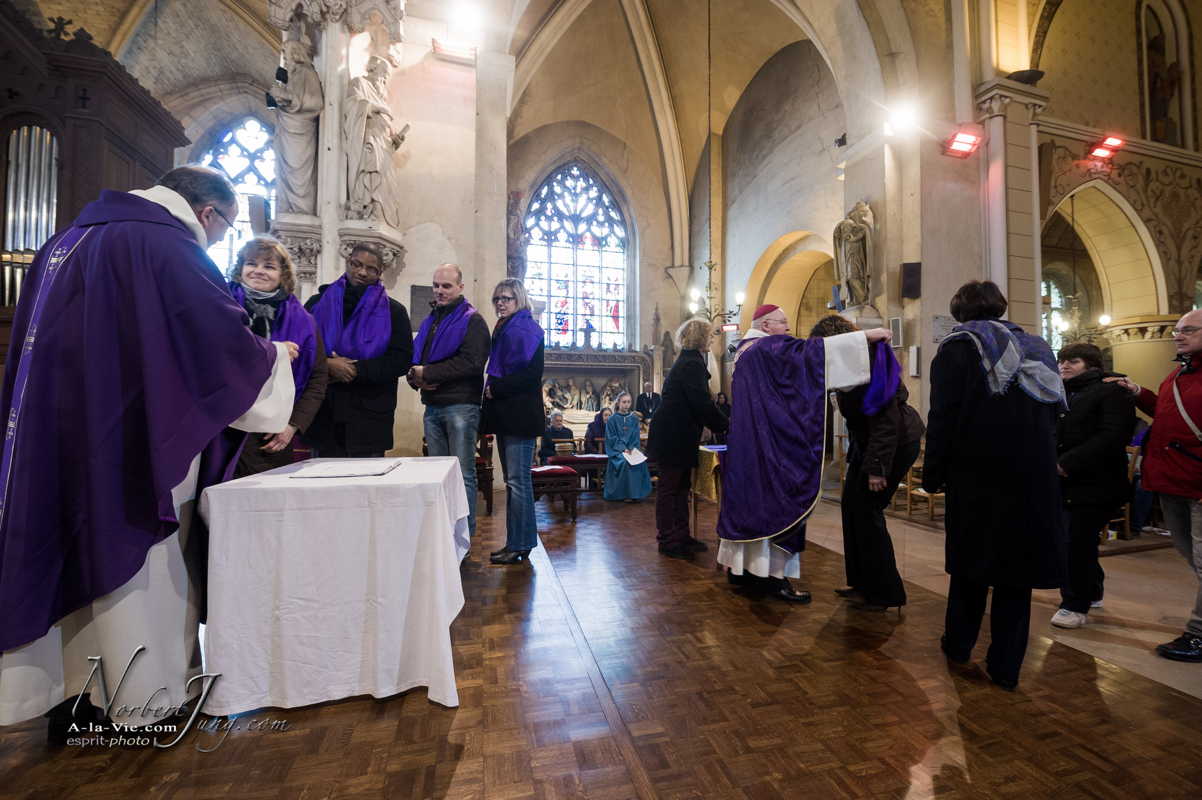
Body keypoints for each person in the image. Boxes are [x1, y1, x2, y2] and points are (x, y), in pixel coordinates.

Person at [0, 166, 297, 739]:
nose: (215, 242)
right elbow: (220, 344)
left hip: (58, 435)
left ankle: (70, 691)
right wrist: (275, 356)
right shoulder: (167, 248)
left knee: (66, 537)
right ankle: (141, 698)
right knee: (140, 559)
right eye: (223, 231)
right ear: (207, 213)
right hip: (136, 438)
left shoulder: (64, 242)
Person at [923, 281, 1066, 690]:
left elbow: (944, 417)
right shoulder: (1037, 347)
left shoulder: (959, 347)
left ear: (958, 311)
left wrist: (933, 475)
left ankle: (958, 645)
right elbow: (1053, 413)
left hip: (979, 476)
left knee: (971, 569)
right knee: (1014, 578)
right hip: (1032, 479)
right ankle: (1006, 667)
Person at [718, 314, 894, 603]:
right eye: (781, 322)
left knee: (751, 506)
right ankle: (773, 579)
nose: (788, 328)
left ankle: (743, 572)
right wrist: (867, 336)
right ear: (765, 326)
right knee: (777, 505)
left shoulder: (745, 351)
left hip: (750, 452)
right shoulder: (767, 349)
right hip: (772, 452)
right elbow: (812, 352)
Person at [1107, 308, 1202, 662]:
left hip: (1197, 480)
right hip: (1171, 478)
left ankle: (1198, 633)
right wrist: (1136, 392)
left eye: (1188, 330)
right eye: (1177, 330)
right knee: (1189, 554)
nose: (1178, 335)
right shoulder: (1178, 374)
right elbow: (1165, 411)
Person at [811, 315, 924, 611]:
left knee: (868, 512)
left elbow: (885, 421)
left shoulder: (871, 362)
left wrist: (876, 468)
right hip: (871, 444)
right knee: (851, 506)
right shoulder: (851, 362)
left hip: (896, 443)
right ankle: (862, 583)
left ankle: (887, 592)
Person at [1050, 343, 1135, 629]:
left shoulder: (1113, 391)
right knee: (1076, 540)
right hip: (1065, 481)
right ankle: (1093, 590)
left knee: (1075, 542)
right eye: (1061, 361)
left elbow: (1113, 435)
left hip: (1094, 482)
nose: (1064, 366)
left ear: (1092, 365)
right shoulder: (1063, 391)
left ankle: (1075, 604)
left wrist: (1068, 462)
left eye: (1072, 361)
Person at [230, 236, 329, 475]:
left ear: (283, 275)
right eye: (251, 263)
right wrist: (277, 350)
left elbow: (318, 377)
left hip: (270, 434)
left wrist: (292, 425)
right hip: (221, 427)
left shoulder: (303, 321)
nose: (258, 271)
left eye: (269, 266)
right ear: (240, 268)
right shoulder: (220, 306)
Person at [305, 244, 412, 457]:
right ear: (348, 262)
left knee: (366, 486)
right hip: (325, 411)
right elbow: (301, 347)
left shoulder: (394, 311)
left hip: (369, 415)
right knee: (321, 484)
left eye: (371, 269)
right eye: (357, 264)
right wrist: (327, 364)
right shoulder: (317, 303)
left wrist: (356, 370)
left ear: (380, 273)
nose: (362, 272)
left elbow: (401, 359)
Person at [408, 263, 491, 539]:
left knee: (462, 473)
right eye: (436, 285)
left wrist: (428, 373)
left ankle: (463, 536)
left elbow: (471, 363)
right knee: (439, 473)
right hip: (432, 405)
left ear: (460, 288)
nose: (439, 291)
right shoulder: (432, 320)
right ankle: (444, 536)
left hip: (461, 407)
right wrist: (415, 377)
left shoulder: (472, 320)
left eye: (446, 286)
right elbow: (419, 359)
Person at [647, 318, 729, 559]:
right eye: (710, 335)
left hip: (679, 433)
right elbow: (701, 403)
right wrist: (726, 425)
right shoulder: (691, 363)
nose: (712, 339)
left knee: (682, 488)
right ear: (700, 337)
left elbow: (700, 403)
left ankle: (681, 536)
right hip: (673, 434)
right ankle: (667, 538)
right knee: (670, 488)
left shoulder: (690, 360)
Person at [480, 279, 545, 565]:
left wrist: (497, 389)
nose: (500, 303)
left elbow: (531, 377)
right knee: (513, 481)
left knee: (518, 482)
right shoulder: (504, 329)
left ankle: (520, 544)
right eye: (497, 299)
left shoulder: (526, 330)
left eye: (506, 298)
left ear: (519, 299)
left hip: (520, 415)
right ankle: (517, 542)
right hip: (507, 415)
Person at [604, 392, 652, 502]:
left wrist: (632, 449)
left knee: (640, 462)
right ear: (618, 403)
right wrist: (623, 449)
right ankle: (626, 494)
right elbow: (611, 438)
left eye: (629, 402)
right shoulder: (612, 419)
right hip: (616, 451)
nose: (626, 405)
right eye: (624, 402)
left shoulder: (634, 419)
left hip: (631, 449)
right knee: (625, 463)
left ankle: (637, 494)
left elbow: (635, 436)